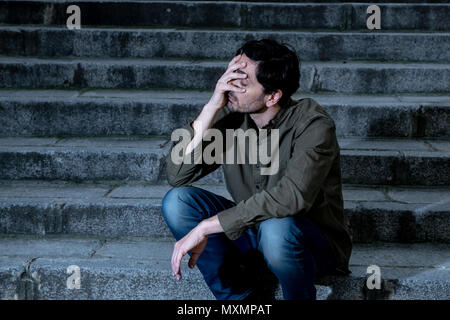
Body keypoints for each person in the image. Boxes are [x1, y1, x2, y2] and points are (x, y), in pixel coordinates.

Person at [161, 39, 352, 300]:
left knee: (276, 229)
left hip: (308, 245)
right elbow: (178, 174)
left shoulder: (313, 125)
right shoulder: (234, 122)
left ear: (273, 95)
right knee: (178, 202)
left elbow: (290, 197)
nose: (229, 86)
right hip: (254, 236)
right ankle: (242, 299)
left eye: (242, 81)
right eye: (231, 75)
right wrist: (211, 106)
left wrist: (207, 227)